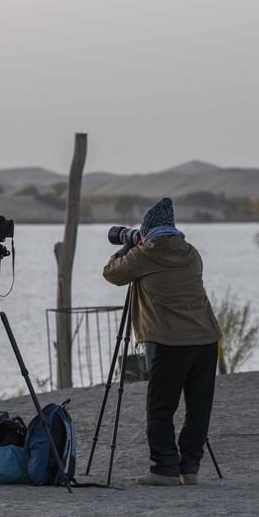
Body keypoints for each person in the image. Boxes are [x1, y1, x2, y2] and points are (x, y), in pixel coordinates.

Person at [102, 197, 222, 487]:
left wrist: (128, 244)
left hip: (170, 342)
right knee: (198, 407)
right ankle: (190, 468)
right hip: (206, 339)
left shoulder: (144, 254)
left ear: (147, 231)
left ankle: (165, 468)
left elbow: (111, 272)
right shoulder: (191, 252)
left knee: (160, 407)